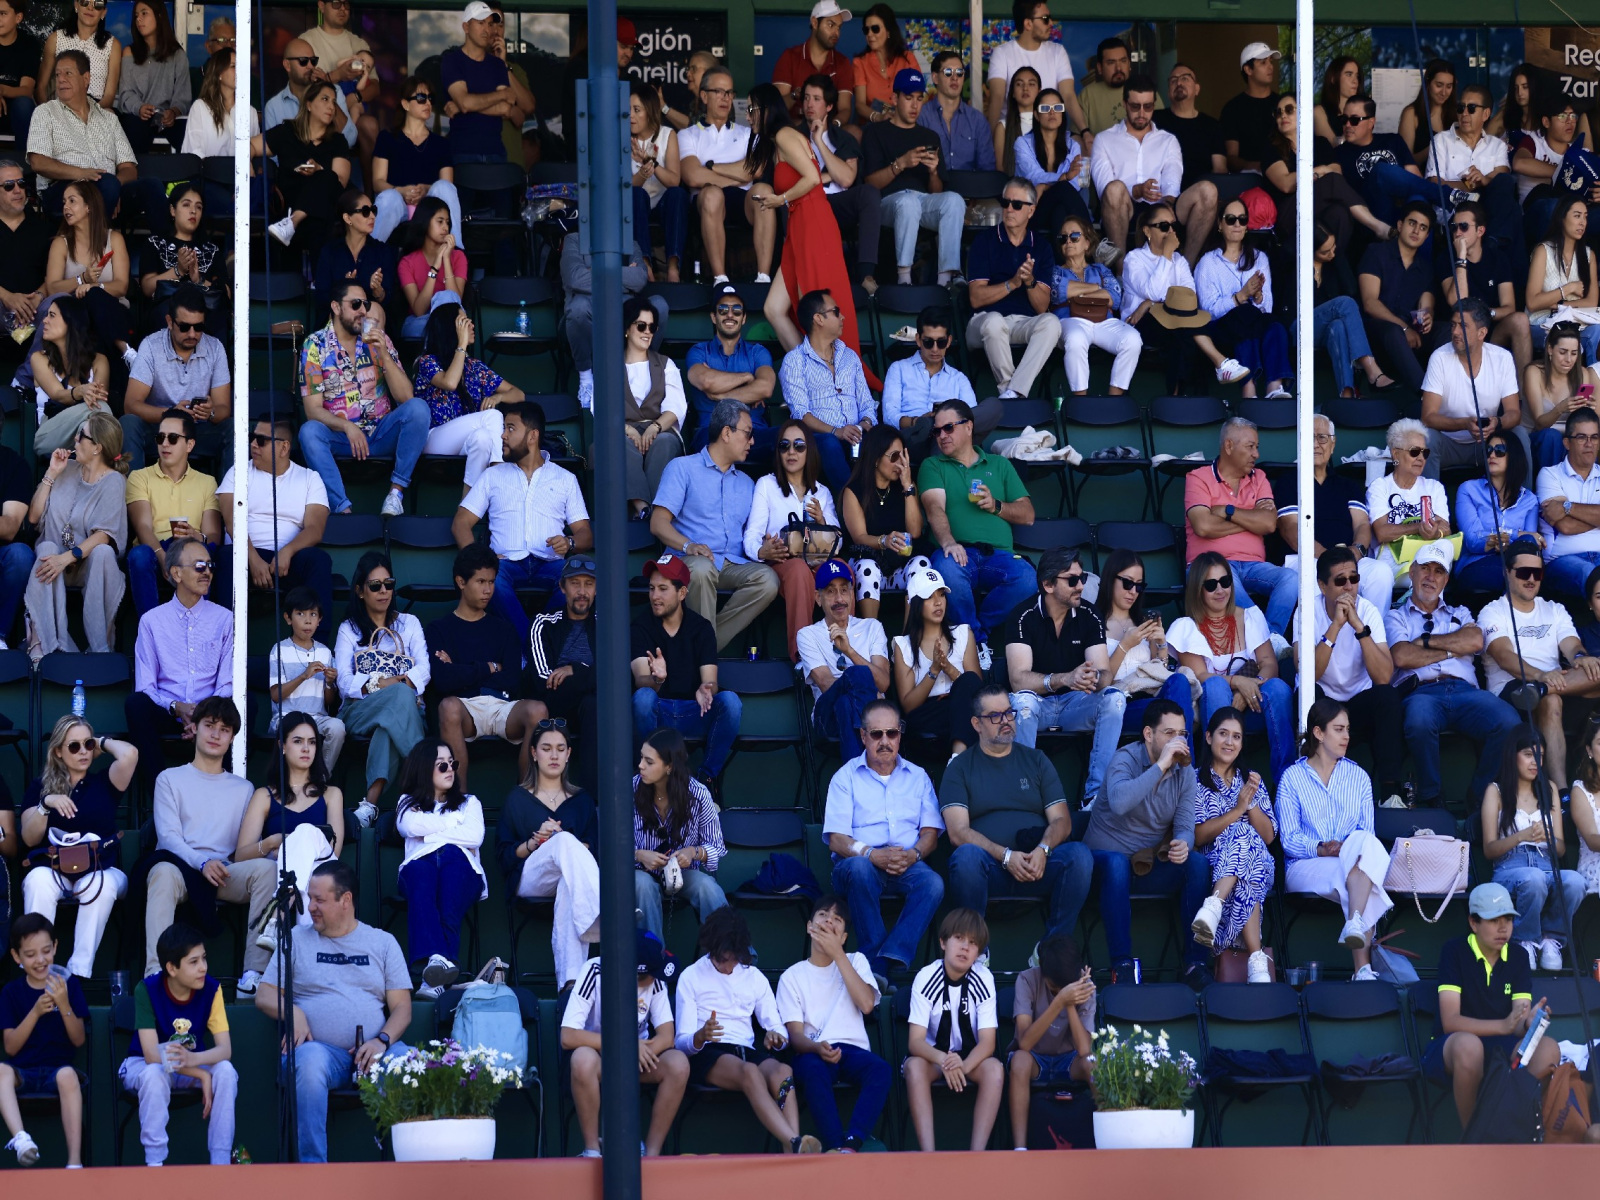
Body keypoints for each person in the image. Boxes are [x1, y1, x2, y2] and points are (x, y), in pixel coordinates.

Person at [255, 860, 412, 1165]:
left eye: (319, 900)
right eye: (310, 897)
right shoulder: (296, 939)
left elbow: (403, 1008)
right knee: (309, 1062)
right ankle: (313, 1172)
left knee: (407, 1063)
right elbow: (264, 994)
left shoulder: (382, 943)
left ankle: (408, 1169)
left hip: (374, 1052)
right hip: (321, 1054)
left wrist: (381, 1040)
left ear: (345, 900)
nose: (310, 907)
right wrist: (294, 1013)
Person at [143, 697, 276, 993]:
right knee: (162, 871)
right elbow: (168, 838)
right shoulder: (169, 779)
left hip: (223, 873)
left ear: (232, 738)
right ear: (194, 728)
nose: (216, 734)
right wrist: (201, 863)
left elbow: (244, 849)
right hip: (180, 869)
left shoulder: (244, 788)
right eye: (210, 725)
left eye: (225, 729)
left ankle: (254, 974)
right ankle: (156, 974)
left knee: (268, 870)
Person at [941, 685, 1094, 935]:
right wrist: (1005, 856)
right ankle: (974, 946)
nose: (1005, 721)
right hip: (989, 868)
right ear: (977, 724)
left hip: (1037, 864)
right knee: (966, 857)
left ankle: (1053, 947)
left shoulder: (1036, 760)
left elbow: (1062, 821)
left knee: (1080, 855)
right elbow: (958, 832)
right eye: (995, 716)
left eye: (1008, 713)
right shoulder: (959, 768)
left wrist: (1043, 850)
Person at [1386, 542, 1520, 811]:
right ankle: (1432, 796)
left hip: (1465, 692)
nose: (1430, 577)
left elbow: (1474, 641)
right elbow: (1402, 656)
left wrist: (1424, 642)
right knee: (1419, 720)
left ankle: (1480, 796)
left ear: (1446, 580)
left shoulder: (1460, 612)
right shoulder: (1395, 616)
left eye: (1438, 572)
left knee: (1510, 722)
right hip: (1420, 692)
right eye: (1425, 569)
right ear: (1412, 573)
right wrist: (1451, 650)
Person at [1087, 699, 1211, 987]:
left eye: (1182, 734)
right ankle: (1122, 966)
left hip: (1147, 865)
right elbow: (1120, 803)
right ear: (1148, 734)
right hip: (1103, 866)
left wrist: (1182, 842)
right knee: (1116, 864)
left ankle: (1195, 964)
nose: (1178, 741)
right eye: (1169, 733)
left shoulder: (1184, 772)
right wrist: (1161, 764)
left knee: (1197, 864)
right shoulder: (1125, 759)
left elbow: (1185, 826)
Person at [454, 399, 591, 645]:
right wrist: (482, 559)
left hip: (551, 564)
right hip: (504, 564)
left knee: (577, 582)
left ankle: (531, 645)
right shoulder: (492, 476)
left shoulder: (565, 479)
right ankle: (537, 645)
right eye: (503, 429)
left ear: (532, 436)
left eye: (510, 428)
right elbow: (461, 523)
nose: (503, 435)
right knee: (491, 581)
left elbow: (585, 534)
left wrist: (569, 542)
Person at [823, 697, 944, 976]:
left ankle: (892, 956)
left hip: (906, 861)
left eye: (892, 733)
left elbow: (930, 834)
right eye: (877, 734)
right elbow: (837, 840)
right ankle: (873, 959)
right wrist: (871, 854)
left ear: (900, 735)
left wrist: (913, 855)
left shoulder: (918, 776)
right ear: (863, 736)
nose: (885, 741)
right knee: (860, 869)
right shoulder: (845, 777)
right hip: (858, 862)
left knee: (933, 884)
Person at [675, 907, 809, 1153]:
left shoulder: (754, 977)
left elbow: (777, 1028)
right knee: (750, 1071)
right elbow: (681, 1043)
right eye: (722, 960)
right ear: (710, 949)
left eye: (734, 959)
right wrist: (700, 1036)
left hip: (746, 1050)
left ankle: (792, 1151)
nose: (729, 967)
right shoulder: (690, 977)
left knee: (783, 1070)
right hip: (708, 1053)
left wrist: (776, 1038)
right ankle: (794, 1142)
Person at [650, 400, 781, 650]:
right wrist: (688, 546)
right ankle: (704, 657)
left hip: (731, 563)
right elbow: (657, 523)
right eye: (748, 433)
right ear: (726, 433)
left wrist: (764, 547)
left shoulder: (747, 483)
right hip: (687, 561)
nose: (753, 441)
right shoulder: (682, 468)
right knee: (701, 569)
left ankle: (703, 649)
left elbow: (752, 534)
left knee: (768, 580)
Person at [1276, 698, 1391, 980]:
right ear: (1318, 733)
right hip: (1304, 866)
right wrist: (1320, 848)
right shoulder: (1292, 778)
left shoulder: (1359, 777)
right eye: (1339, 729)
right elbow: (1288, 840)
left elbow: (1366, 836)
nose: (1346, 736)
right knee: (1363, 876)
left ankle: (1354, 925)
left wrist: (1345, 848)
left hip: (1348, 862)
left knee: (1362, 857)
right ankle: (1362, 967)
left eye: (1348, 729)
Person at [1423, 881, 1554, 1128]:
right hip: (1453, 1046)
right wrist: (1503, 1026)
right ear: (1474, 923)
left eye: (1508, 919)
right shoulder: (1454, 951)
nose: (1503, 928)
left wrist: (1529, 1024)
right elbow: (1450, 1022)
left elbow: (1516, 1025)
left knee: (1547, 1048)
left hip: (1504, 1047)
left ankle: (1516, 1130)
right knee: (1469, 1046)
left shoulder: (1519, 956)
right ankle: (1474, 1138)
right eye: (1494, 920)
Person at [17, 714, 136, 977]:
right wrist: (45, 804)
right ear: (58, 751)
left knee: (100, 885)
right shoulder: (41, 787)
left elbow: (130, 754)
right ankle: (37, 971)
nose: (83, 751)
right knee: (37, 880)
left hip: (100, 868)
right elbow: (29, 838)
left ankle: (78, 973)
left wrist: (100, 742)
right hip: (55, 869)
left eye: (87, 744)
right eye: (74, 746)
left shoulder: (105, 782)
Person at [1478, 540, 1600, 792]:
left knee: (1593, 670)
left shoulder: (1554, 609)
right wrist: (1540, 675)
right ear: (1507, 572)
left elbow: (1571, 645)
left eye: (1538, 573)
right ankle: (1562, 790)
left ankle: (1542, 691)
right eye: (1524, 572)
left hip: (1553, 686)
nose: (1531, 579)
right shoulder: (1492, 611)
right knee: (1551, 701)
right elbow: (1504, 656)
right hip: (1511, 691)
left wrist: (1580, 658)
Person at [1003, 547, 1125, 797]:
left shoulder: (1090, 615)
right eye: (1072, 580)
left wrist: (1093, 677)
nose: (1080, 586)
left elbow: (1105, 674)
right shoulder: (1022, 616)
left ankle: (1096, 796)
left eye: (1082, 578)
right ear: (1048, 584)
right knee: (1023, 703)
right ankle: (1023, 794)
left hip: (1075, 705)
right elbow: (1018, 681)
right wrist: (1065, 679)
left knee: (1115, 699)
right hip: (1037, 706)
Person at [299, 280, 427, 519]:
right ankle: (342, 510)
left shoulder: (379, 340)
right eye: (356, 304)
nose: (363, 311)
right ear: (336, 307)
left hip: (380, 433)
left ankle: (395, 494)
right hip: (342, 438)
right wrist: (347, 427)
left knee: (419, 409)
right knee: (309, 432)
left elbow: (406, 398)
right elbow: (312, 410)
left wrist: (384, 354)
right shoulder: (314, 345)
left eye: (365, 305)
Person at [561, 931, 688, 1158]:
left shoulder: (655, 977)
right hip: (599, 1057)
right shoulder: (595, 971)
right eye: (653, 974)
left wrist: (632, 1052)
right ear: (634, 974)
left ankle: (651, 1154)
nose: (658, 976)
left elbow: (667, 1036)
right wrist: (624, 1047)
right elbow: (568, 1036)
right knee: (582, 1059)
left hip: (638, 1061)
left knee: (678, 1064)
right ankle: (592, 1150)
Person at [1168, 552, 1294, 782]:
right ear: (1198, 589)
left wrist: (1247, 692)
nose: (1220, 590)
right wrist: (1238, 682)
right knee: (1215, 684)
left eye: (1225, 581)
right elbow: (1200, 675)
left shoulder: (1250, 617)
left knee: (1278, 688)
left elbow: (1268, 663)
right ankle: (1218, 778)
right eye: (1211, 585)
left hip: (1252, 706)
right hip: (1213, 710)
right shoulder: (1186, 627)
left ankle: (1287, 780)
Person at [118, 922, 236, 1167]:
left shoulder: (212, 989)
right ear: (171, 968)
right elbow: (151, 1055)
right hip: (144, 1065)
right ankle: (155, 1165)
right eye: (193, 962)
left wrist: (194, 1061)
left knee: (226, 1071)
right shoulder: (147, 989)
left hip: (187, 1064)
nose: (203, 967)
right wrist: (200, 1074)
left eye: (204, 958)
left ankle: (221, 1162)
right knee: (154, 1074)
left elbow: (225, 1050)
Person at [1294, 546, 1405, 805]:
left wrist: (1358, 628)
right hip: (1322, 703)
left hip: (1357, 704)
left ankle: (1391, 795)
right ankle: (1311, 787)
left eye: (1354, 579)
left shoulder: (1367, 611)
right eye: (1340, 581)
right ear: (1322, 586)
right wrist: (1335, 625)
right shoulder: (1307, 610)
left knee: (1387, 697)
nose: (1349, 587)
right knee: (1307, 694)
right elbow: (1308, 674)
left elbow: (1383, 677)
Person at [778, 895, 890, 1152]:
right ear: (810, 927)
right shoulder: (791, 977)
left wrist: (838, 954)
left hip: (854, 1050)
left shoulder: (856, 960)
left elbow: (867, 1004)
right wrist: (816, 1048)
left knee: (881, 1070)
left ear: (844, 936)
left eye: (837, 919)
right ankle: (835, 1147)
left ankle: (851, 1145)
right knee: (811, 1069)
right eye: (823, 915)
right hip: (814, 1051)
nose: (829, 921)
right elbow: (795, 1036)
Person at [428, 545, 544, 791]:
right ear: (461, 582)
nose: (488, 589)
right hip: (464, 708)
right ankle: (458, 801)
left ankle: (526, 798)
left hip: (503, 706)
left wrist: (461, 670)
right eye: (481, 581)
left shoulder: (504, 629)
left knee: (538, 710)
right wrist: (490, 667)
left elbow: (513, 680)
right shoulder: (439, 629)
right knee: (448, 706)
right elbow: (443, 680)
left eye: (491, 582)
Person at [919, 397, 1035, 642]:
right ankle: (975, 641)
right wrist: (949, 543)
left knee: (1027, 580)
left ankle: (973, 635)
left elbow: (1028, 515)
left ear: (969, 427)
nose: (942, 435)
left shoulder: (999, 464)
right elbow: (934, 508)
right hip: (957, 552)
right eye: (937, 431)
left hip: (999, 555)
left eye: (948, 428)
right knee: (947, 571)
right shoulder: (933, 465)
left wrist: (996, 506)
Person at [498, 720, 600, 988]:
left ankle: (571, 984)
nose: (554, 755)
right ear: (534, 753)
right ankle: (601, 912)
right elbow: (505, 857)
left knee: (568, 882)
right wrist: (537, 841)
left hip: (571, 881)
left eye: (560, 749)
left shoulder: (582, 800)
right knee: (563, 840)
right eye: (546, 748)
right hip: (530, 878)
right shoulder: (517, 798)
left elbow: (595, 850)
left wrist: (567, 844)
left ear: (569, 754)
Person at [124, 536, 230, 792]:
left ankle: (223, 792)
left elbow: (227, 683)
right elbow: (146, 686)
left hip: (213, 714)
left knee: (246, 704)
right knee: (136, 704)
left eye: (210, 566)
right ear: (176, 573)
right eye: (199, 566)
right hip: (168, 711)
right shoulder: (152, 621)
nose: (207, 572)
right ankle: (160, 794)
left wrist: (203, 715)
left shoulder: (225, 619)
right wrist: (176, 707)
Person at [216, 414, 335, 639]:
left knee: (318, 560)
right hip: (245, 555)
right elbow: (231, 520)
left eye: (261, 440)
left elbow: (315, 529)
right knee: (225, 557)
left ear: (284, 447)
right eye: (252, 438)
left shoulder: (310, 478)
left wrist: (287, 552)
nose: (253, 444)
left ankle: (317, 646)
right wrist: (252, 558)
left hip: (287, 560)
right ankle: (224, 644)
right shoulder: (238, 472)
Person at [632, 553, 743, 789]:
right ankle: (652, 777)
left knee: (731, 703)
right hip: (659, 712)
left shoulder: (701, 628)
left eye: (663, 589)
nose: (655, 596)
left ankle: (706, 779)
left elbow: (710, 681)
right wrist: (657, 679)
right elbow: (641, 681)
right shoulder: (641, 626)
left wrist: (706, 689)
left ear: (682, 593)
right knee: (643, 698)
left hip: (694, 711)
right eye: (652, 588)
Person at [335, 551, 430, 820]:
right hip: (359, 711)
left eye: (388, 584)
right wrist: (383, 683)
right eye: (375, 586)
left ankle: (369, 805)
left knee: (387, 727)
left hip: (404, 708)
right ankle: (426, 781)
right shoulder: (349, 629)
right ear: (360, 591)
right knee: (399, 696)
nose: (384, 591)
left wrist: (394, 684)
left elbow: (425, 668)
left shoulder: (409, 623)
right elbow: (343, 682)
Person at [24, 411, 127, 658]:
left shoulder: (114, 481)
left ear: (97, 448)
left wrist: (67, 558)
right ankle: (46, 647)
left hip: (87, 566)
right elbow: (34, 517)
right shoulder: (66, 468)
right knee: (47, 548)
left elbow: (104, 535)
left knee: (103, 553)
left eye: (81, 435)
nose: (75, 439)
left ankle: (101, 648)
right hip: (52, 562)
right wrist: (51, 474)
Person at [1481, 729, 1585, 972]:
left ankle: (1551, 939)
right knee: (1533, 878)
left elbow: (1560, 849)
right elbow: (1489, 849)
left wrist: (1548, 838)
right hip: (1509, 868)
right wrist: (1521, 836)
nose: (1535, 762)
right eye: (1528, 755)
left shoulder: (1549, 789)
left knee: (1575, 881)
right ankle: (1524, 941)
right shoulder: (1496, 791)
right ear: (1513, 755)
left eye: (1540, 756)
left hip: (1546, 864)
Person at [1184, 416, 1297, 637]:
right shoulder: (1198, 477)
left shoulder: (1259, 478)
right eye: (1250, 446)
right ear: (1229, 446)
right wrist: (1252, 521)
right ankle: (1270, 642)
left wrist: (1228, 512)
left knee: (1291, 579)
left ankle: (1271, 639)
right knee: (1237, 594)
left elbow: (1269, 523)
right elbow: (1203, 526)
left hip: (1254, 566)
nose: (1256, 454)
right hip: (1211, 564)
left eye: (1257, 447)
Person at [903, 908, 1003, 1153]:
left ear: (978, 953)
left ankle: (977, 1155)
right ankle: (929, 1155)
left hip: (971, 1060)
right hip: (934, 1058)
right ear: (943, 942)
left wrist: (963, 1066)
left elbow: (988, 1043)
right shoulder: (926, 977)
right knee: (913, 1066)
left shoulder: (984, 978)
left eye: (973, 943)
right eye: (959, 938)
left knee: (995, 1069)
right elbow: (915, 1042)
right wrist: (944, 1061)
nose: (965, 947)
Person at [391, 741, 487, 999]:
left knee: (451, 871)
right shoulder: (407, 802)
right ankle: (439, 971)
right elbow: (409, 827)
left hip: (460, 868)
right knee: (422, 875)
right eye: (441, 765)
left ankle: (433, 974)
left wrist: (430, 837)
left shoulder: (470, 802)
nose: (450, 769)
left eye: (452, 763)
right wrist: (453, 823)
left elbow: (474, 836)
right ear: (424, 769)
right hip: (419, 869)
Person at [1120, 205, 1249, 394]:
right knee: (1183, 330)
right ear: (1147, 231)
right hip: (1140, 322)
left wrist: (1150, 303)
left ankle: (1181, 397)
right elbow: (1153, 291)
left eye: (1173, 226)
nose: (1170, 232)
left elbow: (1188, 296)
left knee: (1183, 332)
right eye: (1164, 226)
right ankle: (1219, 363)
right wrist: (1166, 256)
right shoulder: (1134, 259)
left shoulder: (1179, 260)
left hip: (1174, 322)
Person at [1090, 74, 1215, 267]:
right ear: (1124, 104)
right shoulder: (1104, 139)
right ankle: (1121, 272)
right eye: (1135, 106)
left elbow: (1172, 180)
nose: (1142, 113)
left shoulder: (1168, 140)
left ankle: (1186, 268)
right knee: (1114, 189)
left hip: (1163, 207)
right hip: (1125, 209)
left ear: (1154, 105)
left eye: (1148, 107)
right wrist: (1136, 191)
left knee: (1208, 190)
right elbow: (1104, 190)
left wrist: (1168, 200)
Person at [234, 713, 345, 925]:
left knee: (306, 832)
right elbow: (240, 856)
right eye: (298, 741)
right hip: (279, 873)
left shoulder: (331, 794)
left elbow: (333, 851)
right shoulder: (264, 796)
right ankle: (303, 930)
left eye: (312, 742)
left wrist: (291, 846)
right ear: (282, 746)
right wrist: (272, 842)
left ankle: (278, 913)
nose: (306, 748)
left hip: (321, 870)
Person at [1190, 708, 1276, 981]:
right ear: (1208, 737)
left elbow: (1268, 836)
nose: (1229, 742)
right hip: (1212, 864)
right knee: (1245, 858)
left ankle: (1214, 906)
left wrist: (1249, 803)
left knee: (1246, 836)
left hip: (1259, 862)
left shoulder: (1251, 780)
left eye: (1236, 737)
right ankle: (1256, 959)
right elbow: (1197, 836)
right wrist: (1237, 810)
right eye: (1223, 734)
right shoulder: (1194, 780)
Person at [861, 69, 967, 288]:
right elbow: (870, 184)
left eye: (919, 99)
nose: (915, 105)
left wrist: (933, 172)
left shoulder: (929, 136)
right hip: (886, 203)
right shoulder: (875, 132)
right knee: (908, 202)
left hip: (922, 201)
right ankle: (904, 279)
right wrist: (900, 164)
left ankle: (946, 280)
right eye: (908, 98)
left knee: (954, 200)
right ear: (894, 99)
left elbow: (937, 194)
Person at [745, 418, 841, 658]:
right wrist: (762, 551)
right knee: (798, 569)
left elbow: (838, 543)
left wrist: (822, 522)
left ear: (809, 450)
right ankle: (803, 656)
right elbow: (752, 536)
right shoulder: (766, 485)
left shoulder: (822, 492)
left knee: (839, 569)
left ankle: (844, 649)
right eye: (784, 445)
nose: (791, 452)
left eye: (799, 445)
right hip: (782, 562)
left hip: (816, 561)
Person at [1275, 414, 1392, 610]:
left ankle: (1371, 629)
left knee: (1380, 573)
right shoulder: (1289, 482)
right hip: (1306, 559)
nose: (1315, 444)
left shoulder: (1347, 485)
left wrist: (1356, 551)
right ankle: (1323, 631)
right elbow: (1291, 529)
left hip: (1347, 560)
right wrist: (1328, 559)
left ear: (1333, 444)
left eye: (1322, 437)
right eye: (1309, 438)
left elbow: (1362, 524)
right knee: (1314, 577)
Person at [0, 914, 87, 1167]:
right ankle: (21, 1139)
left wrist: (64, 1004)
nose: (40, 960)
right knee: (1, 1071)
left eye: (46, 951)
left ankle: (74, 1162)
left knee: (68, 1075)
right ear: (16, 956)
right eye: (30, 954)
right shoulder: (11, 992)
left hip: (57, 1071)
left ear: (55, 947)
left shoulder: (69, 985)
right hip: (22, 1072)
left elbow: (79, 1039)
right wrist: (36, 1012)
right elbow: (10, 1047)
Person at [965, 179, 1059, 403]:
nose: (1009, 209)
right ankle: (1012, 395)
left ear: (1031, 211)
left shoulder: (1041, 246)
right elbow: (976, 298)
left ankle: (1013, 394)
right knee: (994, 321)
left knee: (1052, 322)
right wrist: (1013, 283)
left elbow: (1042, 307)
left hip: (1021, 322)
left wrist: (1029, 281)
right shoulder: (984, 241)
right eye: (1005, 202)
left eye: (1016, 205)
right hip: (982, 322)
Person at [121, 287, 231, 473]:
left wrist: (210, 412)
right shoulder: (151, 345)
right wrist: (170, 413)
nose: (192, 334)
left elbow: (224, 409)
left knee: (233, 428)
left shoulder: (215, 347)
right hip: (159, 431)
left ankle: (231, 491)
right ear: (170, 322)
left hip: (197, 431)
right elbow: (131, 405)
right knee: (129, 424)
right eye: (185, 327)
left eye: (199, 327)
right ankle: (135, 490)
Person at [632, 729, 728, 939]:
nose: (640, 765)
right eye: (641, 758)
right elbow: (612, 846)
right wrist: (638, 854)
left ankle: (733, 953)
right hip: (640, 871)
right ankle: (652, 956)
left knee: (707, 887)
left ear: (669, 767)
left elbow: (717, 847)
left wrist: (694, 852)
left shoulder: (697, 793)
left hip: (682, 874)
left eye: (649, 761)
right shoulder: (630, 789)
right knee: (641, 885)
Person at [412, 302, 517, 493]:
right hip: (432, 439)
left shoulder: (474, 367)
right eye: (465, 322)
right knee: (493, 416)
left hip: (463, 441)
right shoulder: (428, 361)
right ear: (451, 328)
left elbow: (518, 394)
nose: (472, 325)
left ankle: (468, 505)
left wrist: (499, 397)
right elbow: (450, 382)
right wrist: (461, 344)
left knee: (483, 439)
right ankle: (501, 481)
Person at [124, 409, 220, 617]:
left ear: (190, 445)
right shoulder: (139, 477)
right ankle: (151, 629)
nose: (165, 444)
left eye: (173, 438)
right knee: (139, 555)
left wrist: (196, 536)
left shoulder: (207, 482)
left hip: (191, 550)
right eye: (160, 438)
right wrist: (163, 557)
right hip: (155, 549)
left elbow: (213, 535)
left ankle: (198, 626)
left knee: (205, 553)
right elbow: (143, 527)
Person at [778, 288, 876, 491]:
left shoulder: (849, 356)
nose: (842, 317)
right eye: (836, 312)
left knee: (886, 439)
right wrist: (836, 431)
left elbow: (867, 403)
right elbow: (801, 414)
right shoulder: (794, 361)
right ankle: (852, 500)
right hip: (820, 439)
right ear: (818, 319)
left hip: (856, 436)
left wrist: (864, 423)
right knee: (830, 444)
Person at [1194, 198, 1291, 399]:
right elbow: (1208, 310)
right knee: (1244, 316)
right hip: (1221, 328)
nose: (1237, 224)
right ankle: (1249, 388)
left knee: (1275, 326)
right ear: (1220, 224)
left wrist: (1258, 296)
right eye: (1231, 219)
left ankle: (1275, 387)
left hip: (1252, 322)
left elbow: (1267, 308)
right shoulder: (1207, 262)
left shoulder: (1259, 258)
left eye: (1242, 219)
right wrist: (1240, 297)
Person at [1005, 932, 1095, 1147]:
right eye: (1055, 989)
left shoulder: (1085, 986)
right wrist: (1059, 1001)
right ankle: (1020, 1148)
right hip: (1035, 1058)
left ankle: (1109, 1144)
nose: (1059, 992)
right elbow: (1025, 1043)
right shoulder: (1027, 979)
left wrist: (1069, 1003)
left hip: (1070, 1060)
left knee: (1094, 1064)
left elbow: (1084, 1049)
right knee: (1019, 1060)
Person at [1420, 297, 1525, 479]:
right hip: (1448, 444)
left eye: (1463, 326)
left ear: (1481, 332)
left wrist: (1498, 422)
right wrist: (1464, 424)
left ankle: (1524, 497)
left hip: (1488, 445)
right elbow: (1428, 417)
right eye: (1453, 325)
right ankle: (1429, 498)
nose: (1455, 331)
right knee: (1427, 437)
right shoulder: (1440, 357)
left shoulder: (1502, 358)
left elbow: (1514, 413)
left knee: (1519, 434)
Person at [799, 559, 890, 757]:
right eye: (830, 591)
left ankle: (857, 771)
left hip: (860, 714)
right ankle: (875, 751)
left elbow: (883, 683)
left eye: (844, 590)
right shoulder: (807, 634)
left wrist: (849, 651)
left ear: (852, 594)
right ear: (818, 598)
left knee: (845, 704)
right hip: (827, 717)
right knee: (857, 675)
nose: (839, 599)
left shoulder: (872, 627)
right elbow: (825, 683)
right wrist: (868, 691)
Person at [28, 50, 135, 219]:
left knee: (150, 187)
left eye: (68, 73)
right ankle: (97, 235)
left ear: (86, 79)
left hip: (106, 187)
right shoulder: (45, 112)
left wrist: (115, 187)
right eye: (58, 74)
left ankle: (169, 239)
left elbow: (129, 168)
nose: (61, 79)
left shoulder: (109, 118)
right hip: (62, 191)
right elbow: (38, 162)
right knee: (106, 185)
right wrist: (81, 173)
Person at [799, 74, 880, 293]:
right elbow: (791, 179)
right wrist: (829, 175)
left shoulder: (843, 139)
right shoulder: (793, 136)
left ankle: (866, 275)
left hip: (838, 202)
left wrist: (819, 142)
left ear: (829, 106)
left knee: (869, 193)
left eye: (816, 99)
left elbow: (846, 179)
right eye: (806, 98)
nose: (809, 104)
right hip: (806, 201)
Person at [883, 307, 996, 460]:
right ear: (918, 340)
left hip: (949, 437)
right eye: (928, 342)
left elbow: (972, 419)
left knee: (993, 407)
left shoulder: (959, 378)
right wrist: (917, 421)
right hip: (914, 438)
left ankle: (940, 425)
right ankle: (935, 425)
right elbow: (889, 416)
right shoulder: (899, 369)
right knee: (933, 427)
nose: (935, 349)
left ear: (948, 341)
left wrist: (946, 423)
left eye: (941, 342)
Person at [526, 557, 599, 791]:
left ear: (597, 589)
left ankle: (592, 798)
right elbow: (543, 682)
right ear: (562, 587)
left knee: (594, 704)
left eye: (589, 584)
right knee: (595, 699)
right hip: (556, 709)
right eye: (575, 584)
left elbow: (620, 678)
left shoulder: (607, 625)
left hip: (594, 710)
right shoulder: (544, 623)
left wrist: (574, 670)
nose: (582, 592)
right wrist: (593, 677)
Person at [1423, 84, 1520, 261]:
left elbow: (1502, 179)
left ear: (1486, 114)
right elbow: (1434, 183)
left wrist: (1484, 180)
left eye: (1472, 108)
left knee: (1506, 186)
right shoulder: (1441, 141)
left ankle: (1493, 244)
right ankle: (1495, 247)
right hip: (1453, 211)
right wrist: (1469, 185)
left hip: (1487, 212)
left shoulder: (1496, 145)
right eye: (1461, 108)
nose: (1464, 113)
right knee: (1513, 212)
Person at [677, 67, 754, 286]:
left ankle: (763, 277)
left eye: (729, 92)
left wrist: (711, 168)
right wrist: (737, 178)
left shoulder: (746, 133)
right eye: (719, 92)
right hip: (705, 203)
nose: (725, 98)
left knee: (764, 194)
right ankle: (721, 279)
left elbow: (752, 170)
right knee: (712, 195)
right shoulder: (687, 134)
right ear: (704, 96)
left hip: (742, 202)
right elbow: (692, 176)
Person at [1050, 212, 1142, 396]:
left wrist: (1077, 292)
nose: (1068, 241)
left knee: (1133, 339)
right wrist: (1096, 288)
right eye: (1063, 237)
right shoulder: (1055, 271)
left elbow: (1114, 297)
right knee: (1076, 338)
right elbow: (1058, 292)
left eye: (1074, 236)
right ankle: (1081, 401)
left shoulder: (1100, 269)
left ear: (1087, 243)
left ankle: (1114, 399)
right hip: (1070, 320)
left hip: (1103, 321)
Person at [42, 177, 132, 364]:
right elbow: (52, 288)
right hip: (76, 314)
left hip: (113, 311)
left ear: (89, 206)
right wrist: (82, 279)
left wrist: (94, 287)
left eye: (72, 201)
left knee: (94, 296)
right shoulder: (60, 243)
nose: (66, 207)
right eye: (64, 202)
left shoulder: (114, 238)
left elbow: (121, 287)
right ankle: (126, 352)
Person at [841, 424, 927, 619]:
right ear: (876, 458)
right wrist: (884, 541)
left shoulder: (906, 487)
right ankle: (872, 633)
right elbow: (859, 537)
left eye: (903, 457)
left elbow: (915, 532)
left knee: (922, 564)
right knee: (868, 568)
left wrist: (908, 487)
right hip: (867, 565)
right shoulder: (854, 491)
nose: (900, 464)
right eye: (894, 457)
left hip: (899, 566)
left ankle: (908, 636)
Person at [894, 569, 984, 752]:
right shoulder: (903, 645)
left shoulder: (963, 633)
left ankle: (957, 756)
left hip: (963, 707)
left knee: (969, 691)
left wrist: (949, 669)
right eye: (929, 597)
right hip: (928, 715)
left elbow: (977, 691)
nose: (938, 602)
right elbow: (908, 706)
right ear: (916, 603)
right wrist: (934, 670)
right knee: (966, 711)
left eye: (942, 595)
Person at [1442, 201, 1531, 378]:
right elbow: (1458, 303)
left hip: (1493, 332)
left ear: (1480, 231)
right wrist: (1461, 258)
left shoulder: (1498, 258)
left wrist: (1485, 313)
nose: (1457, 232)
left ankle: (1524, 391)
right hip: (1461, 333)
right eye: (1454, 227)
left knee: (1520, 320)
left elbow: (1509, 307)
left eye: (1464, 226)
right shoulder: (1446, 258)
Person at [684, 285, 777, 455]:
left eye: (737, 310)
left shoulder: (758, 352)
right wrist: (747, 377)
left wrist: (720, 396)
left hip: (754, 432)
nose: (730, 315)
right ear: (714, 317)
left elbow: (765, 388)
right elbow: (706, 381)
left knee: (790, 439)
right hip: (712, 432)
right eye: (723, 309)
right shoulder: (699, 351)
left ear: (744, 318)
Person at [615, 295, 687, 514]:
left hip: (659, 428)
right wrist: (627, 429)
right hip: (621, 429)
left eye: (652, 327)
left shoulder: (665, 364)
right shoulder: (610, 364)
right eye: (641, 326)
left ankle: (657, 511)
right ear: (626, 329)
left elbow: (676, 407)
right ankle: (644, 508)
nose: (647, 332)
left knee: (664, 442)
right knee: (619, 443)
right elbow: (600, 409)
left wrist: (655, 427)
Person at [262, 80, 351, 254]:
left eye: (334, 102)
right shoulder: (287, 131)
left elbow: (340, 181)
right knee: (320, 214)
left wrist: (319, 170)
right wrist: (249, 167)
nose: (331, 106)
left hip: (322, 210)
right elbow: (249, 146)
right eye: (325, 99)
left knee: (327, 178)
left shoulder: (338, 141)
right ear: (309, 104)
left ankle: (292, 222)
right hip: (289, 201)